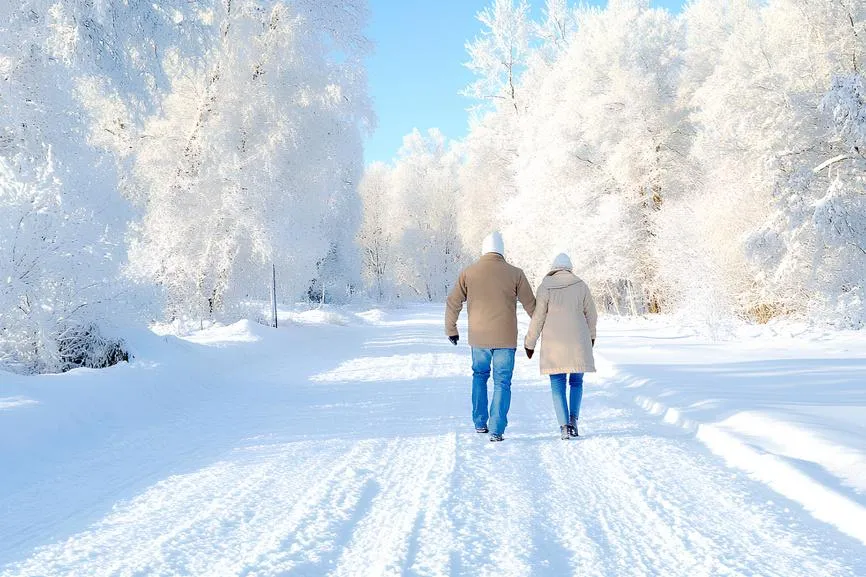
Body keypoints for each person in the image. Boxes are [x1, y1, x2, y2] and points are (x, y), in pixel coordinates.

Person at [445, 231, 536, 442]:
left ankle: (479, 422)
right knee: (502, 382)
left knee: (479, 376)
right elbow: (531, 305)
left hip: (479, 339)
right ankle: (496, 429)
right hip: (506, 339)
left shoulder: (469, 273)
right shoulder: (516, 273)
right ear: (502, 250)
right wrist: (543, 327)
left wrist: (452, 329)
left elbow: (453, 302)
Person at [524, 253, 598, 440]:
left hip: (554, 343)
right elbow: (592, 314)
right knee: (576, 382)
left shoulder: (545, 287)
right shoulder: (581, 285)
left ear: (554, 268)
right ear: (569, 268)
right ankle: (574, 420)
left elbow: (538, 317)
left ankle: (564, 426)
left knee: (557, 385)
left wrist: (530, 343)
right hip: (578, 342)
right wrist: (591, 337)